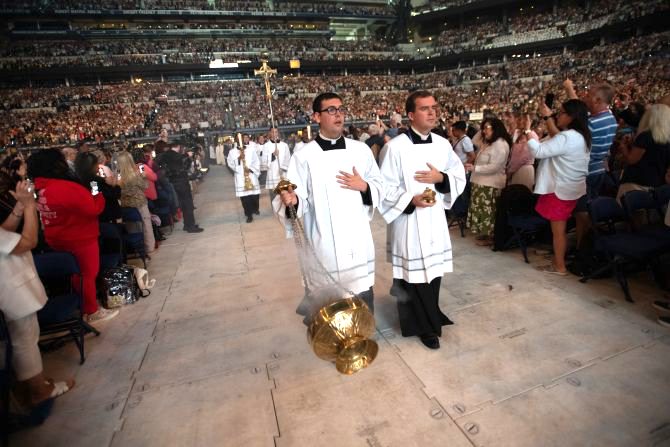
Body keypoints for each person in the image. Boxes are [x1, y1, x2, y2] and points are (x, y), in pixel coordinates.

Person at [274, 92, 383, 315]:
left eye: (341, 109)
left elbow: (380, 185)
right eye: (331, 110)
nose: (338, 115)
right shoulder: (304, 157)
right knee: (332, 304)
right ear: (316, 117)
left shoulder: (360, 150)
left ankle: (363, 339)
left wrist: (365, 186)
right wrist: (292, 200)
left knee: (362, 296)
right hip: (325, 242)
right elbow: (297, 198)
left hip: (358, 240)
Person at [379, 90, 466, 349]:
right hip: (409, 222)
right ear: (410, 115)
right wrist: (410, 200)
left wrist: (441, 178)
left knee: (434, 272)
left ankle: (432, 313)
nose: (432, 112)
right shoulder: (394, 148)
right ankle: (423, 327)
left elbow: (457, 174)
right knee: (414, 276)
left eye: (434, 107)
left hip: (435, 219)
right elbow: (384, 186)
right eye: (425, 108)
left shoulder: (442, 144)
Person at [1, 180, 75, 410]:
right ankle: (39, 390)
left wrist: (18, 210)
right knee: (25, 339)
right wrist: (31, 207)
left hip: (10, 283)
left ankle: (30, 385)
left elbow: (4, 233)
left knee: (22, 338)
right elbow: (28, 241)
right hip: (10, 289)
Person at [28, 149, 118, 323]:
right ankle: (91, 310)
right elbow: (93, 209)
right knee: (87, 274)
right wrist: (98, 195)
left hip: (56, 236)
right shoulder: (65, 187)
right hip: (79, 237)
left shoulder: (41, 187)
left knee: (75, 275)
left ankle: (84, 306)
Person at [528, 99, 591, 275]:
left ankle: (559, 266)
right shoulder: (581, 135)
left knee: (558, 232)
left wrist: (528, 132)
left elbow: (539, 151)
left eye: (561, 113)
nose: (557, 116)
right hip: (573, 187)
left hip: (560, 189)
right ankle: (559, 261)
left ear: (571, 116)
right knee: (560, 230)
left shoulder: (568, 137)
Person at [564, 80, 617, 248]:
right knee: (587, 210)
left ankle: (583, 249)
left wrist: (569, 89)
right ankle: (585, 245)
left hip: (586, 173)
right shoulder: (609, 118)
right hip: (597, 170)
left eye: (588, 95)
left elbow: (579, 118)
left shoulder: (594, 123)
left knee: (582, 213)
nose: (585, 98)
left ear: (598, 101)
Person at [465, 118, 511, 246]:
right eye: (483, 128)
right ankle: (484, 234)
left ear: (496, 129)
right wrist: (483, 128)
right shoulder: (488, 142)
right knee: (480, 210)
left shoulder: (500, 144)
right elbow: (474, 140)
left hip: (491, 183)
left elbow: (494, 167)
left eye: (487, 128)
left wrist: (475, 168)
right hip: (480, 181)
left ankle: (491, 237)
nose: (484, 131)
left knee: (488, 211)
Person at [156, 144, 203, 233]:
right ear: (177, 146)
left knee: (184, 204)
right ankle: (190, 226)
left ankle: (187, 224)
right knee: (188, 204)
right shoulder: (175, 155)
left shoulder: (166, 154)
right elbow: (182, 164)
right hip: (181, 181)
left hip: (174, 181)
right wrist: (187, 155)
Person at [117, 151, 155, 254]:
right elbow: (145, 186)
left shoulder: (118, 176)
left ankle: (136, 249)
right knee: (146, 225)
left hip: (126, 204)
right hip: (139, 202)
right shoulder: (135, 174)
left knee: (131, 226)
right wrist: (143, 176)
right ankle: (149, 247)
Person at [227, 135, 261, 223]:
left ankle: (255, 208)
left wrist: (252, 169)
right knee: (245, 198)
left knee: (255, 196)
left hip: (251, 174)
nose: (241, 140)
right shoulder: (232, 152)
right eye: (239, 139)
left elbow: (256, 161)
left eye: (242, 138)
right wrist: (238, 158)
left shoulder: (251, 149)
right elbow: (230, 163)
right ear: (236, 140)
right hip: (241, 176)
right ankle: (248, 214)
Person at [263, 128, 291, 194]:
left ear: (278, 133)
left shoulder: (284, 145)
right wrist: (272, 155)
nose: (274, 134)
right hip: (272, 173)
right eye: (272, 132)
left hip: (283, 173)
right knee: (274, 197)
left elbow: (288, 159)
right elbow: (263, 160)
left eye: (276, 132)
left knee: (285, 197)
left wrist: (283, 168)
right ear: (270, 133)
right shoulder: (266, 146)